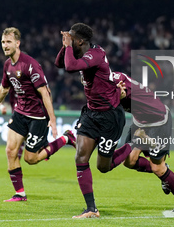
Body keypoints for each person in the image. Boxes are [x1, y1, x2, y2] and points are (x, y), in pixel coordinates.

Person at [0, 27, 76, 202]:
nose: (5, 45)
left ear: (17, 43)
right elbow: (4, 88)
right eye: (3, 42)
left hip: (37, 116)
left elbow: (45, 92)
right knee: (10, 151)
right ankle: (20, 194)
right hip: (20, 113)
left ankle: (65, 139)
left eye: (8, 42)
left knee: (30, 159)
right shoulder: (8, 64)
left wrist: (52, 120)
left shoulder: (29, 64)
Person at [55, 23, 132, 218]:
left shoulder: (95, 54)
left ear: (80, 41)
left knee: (103, 167)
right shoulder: (79, 51)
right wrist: (66, 45)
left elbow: (70, 66)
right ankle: (91, 209)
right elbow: (59, 64)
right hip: (91, 113)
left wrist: (68, 46)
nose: (69, 39)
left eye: (72, 37)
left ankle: (133, 145)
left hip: (110, 116)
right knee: (81, 157)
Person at [113, 72, 174, 212]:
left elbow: (121, 94)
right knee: (129, 161)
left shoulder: (116, 83)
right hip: (141, 122)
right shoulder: (109, 81)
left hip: (158, 121)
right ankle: (165, 173)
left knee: (157, 168)